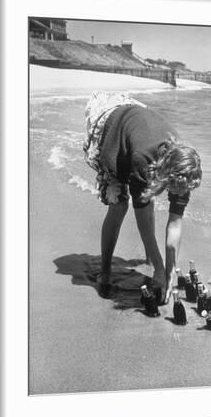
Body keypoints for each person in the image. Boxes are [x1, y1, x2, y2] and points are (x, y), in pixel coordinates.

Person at [83, 91, 202, 304]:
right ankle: (106, 268)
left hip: (138, 123)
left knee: (147, 197)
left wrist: (170, 271)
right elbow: (143, 216)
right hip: (111, 127)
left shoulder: (186, 168)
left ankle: (152, 257)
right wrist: (159, 266)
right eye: (175, 188)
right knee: (119, 205)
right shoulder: (143, 160)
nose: (179, 193)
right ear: (167, 175)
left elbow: (175, 225)